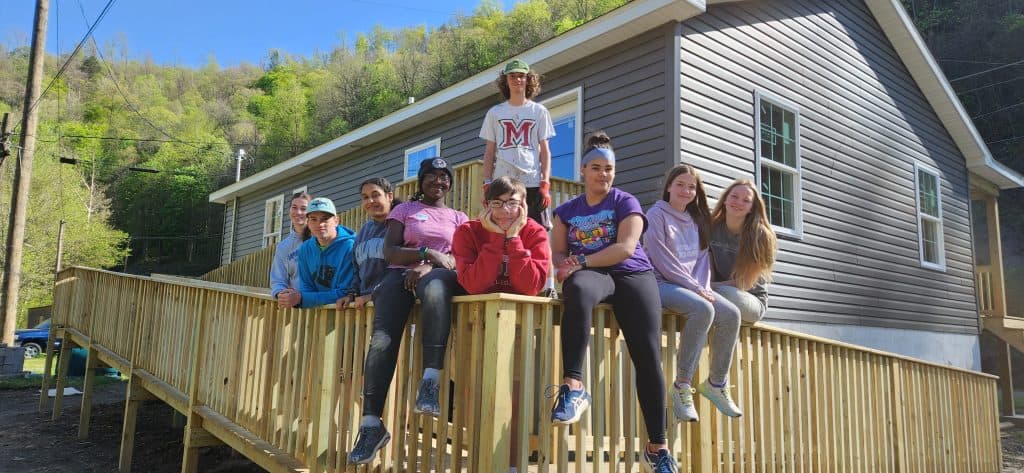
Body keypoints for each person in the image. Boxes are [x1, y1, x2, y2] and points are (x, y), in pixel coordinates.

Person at [549, 132, 678, 473]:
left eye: (609, 169)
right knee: (576, 288)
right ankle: (573, 386)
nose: (603, 174)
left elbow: (625, 248)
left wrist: (582, 261)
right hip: (594, 276)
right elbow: (558, 253)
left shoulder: (625, 202)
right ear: (582, 171)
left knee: (647, 355)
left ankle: (658, 448)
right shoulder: (565, 212)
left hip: (632, 274)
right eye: (596, 168)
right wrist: (566, 266)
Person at [348, 158, 468, 465]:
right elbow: (391, 251)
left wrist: (428, 265)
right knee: (381, 339)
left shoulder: (458, 217)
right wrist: (425, 253)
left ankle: (430, 381)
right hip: (398, 274)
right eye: (432, 176)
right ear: (421, 181)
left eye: (444, 177)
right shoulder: (404, 211)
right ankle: (371, 424)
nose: (438, 181)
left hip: (439, 276)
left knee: (436, 288)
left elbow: (458, 258)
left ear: (449, 183)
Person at [644, 165, 743, 423]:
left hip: (692, 286)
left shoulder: (696, 219)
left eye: (691, 187)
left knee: (731, 313)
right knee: (703, 309)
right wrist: (696, 289)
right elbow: (662, 259)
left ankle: (716, 383)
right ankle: (682, 385)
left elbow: (701, 260)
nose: (686, 191)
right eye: (680, 185)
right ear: (668, 187)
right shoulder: (656, 215)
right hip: (661, 282)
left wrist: (704, 287)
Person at [480, 58, 558, 297]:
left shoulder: (538, 111)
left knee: (540, 232)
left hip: (532, 182)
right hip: (503, 181)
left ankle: (548, 286)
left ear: (529, 79)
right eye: (512, 76)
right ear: (506, 80)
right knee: (500, 229)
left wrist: (545, 183)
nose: (517, 80)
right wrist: (486, 184)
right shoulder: (495, 113)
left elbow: (544, 150)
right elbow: (490, 152)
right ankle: (502, 281)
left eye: (521, 76)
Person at [453, 176, 550, 295]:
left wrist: (513, 238)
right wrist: (496, 238)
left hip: (522, 309)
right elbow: (473, 287)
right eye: (496, 203)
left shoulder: (535, 232)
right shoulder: (467, 232)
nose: (505, 210)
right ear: (486, 205)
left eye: (512, 203)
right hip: (477, 308)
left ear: (524, 206)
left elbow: (530, 288)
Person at [708, 178, 777, 325]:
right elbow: (708, 269)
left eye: (746, 200)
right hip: (717, 291)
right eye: (734, 196)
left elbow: (745, 283)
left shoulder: (760, 235)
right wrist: (706, 285)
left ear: (752, 207)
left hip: (750, 298)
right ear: (725, 199)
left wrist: (709, 288)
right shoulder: (711, 227)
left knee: (721, 294)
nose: (738, 202)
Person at [341, 177, 399, 311]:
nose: (370, 201)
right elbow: (357, 271)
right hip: (364, 307)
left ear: (389, 196)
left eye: (375, 195)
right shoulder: (363, 232)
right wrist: (351, 294)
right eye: (365, 197)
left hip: (393, 304)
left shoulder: (402, 226)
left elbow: (403, 270)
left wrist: (374, 295)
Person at [290, 197, 357, 309]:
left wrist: (303, 299)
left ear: (336, 220)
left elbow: (344, 292)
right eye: (313, 219)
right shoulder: (305, 249)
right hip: (317, 313)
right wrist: (303, 298)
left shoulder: (350, 246)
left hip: (348, 313)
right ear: (308, 222)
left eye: (325, 219)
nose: (319, 224)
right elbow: (306, 287)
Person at [270, 191, 311, 307]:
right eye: (294, 207)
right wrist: (281, 294)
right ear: (289, 211)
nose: (298, 212)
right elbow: (278, 280)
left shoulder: (319, 239)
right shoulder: (284, 247)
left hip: (322, 304)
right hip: (297, 309)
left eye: (303, 208)